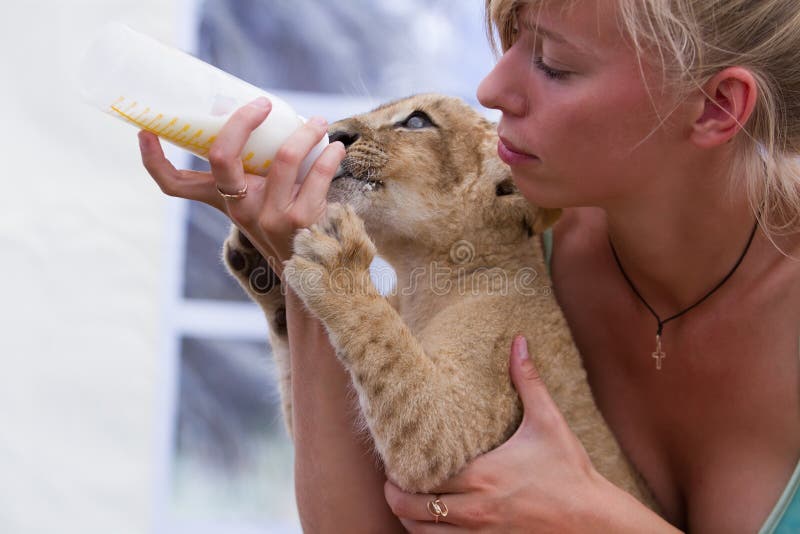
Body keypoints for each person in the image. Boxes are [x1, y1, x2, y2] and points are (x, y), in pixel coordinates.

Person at [138, 0, 800, 531]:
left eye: (554, 63)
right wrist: (296, 254)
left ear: (718, 107)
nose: (492, 87)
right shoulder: (507, 234)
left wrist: (598, 520)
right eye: (510, 37)